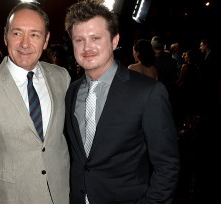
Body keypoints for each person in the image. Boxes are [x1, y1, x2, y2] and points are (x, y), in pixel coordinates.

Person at [64, 1, 180, 204]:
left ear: (115, 41)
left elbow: (167, 166)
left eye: (95, 38)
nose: (87, 47)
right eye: (79, 40)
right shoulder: (72, 91)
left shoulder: (148, 92)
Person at [0, 2, 71, 204]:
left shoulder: (61, 77)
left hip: (61, 194)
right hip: (11, 198)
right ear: (5, 36)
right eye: (17, 33)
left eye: (35, 35)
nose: (25, 44)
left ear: (46, 40)